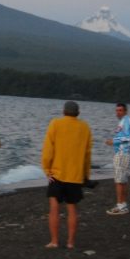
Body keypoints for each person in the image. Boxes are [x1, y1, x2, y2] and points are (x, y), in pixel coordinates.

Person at [41, 101, 92, 249]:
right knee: (72, 209)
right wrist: (85, 174)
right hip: (75, 174)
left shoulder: (55, 124)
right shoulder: (85, 127)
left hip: (57, 173)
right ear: (78, 113)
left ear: (64, 112)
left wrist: (46, 169)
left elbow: (48, 149)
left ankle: (55, 241)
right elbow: (87, 154)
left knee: (54, 208)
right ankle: (70, 242)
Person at [105, 102, 130, 215]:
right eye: (117, 110)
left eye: (120, 110)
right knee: (123, 180)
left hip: (123, 153)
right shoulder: (123, 122)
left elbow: (127, 137)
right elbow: (124, 136)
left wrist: (113, 141)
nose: (118, 112)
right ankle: (123, 204)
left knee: (119, 180)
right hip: (124, 153)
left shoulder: (126, 121)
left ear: (125, 111)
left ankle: (120, 205)